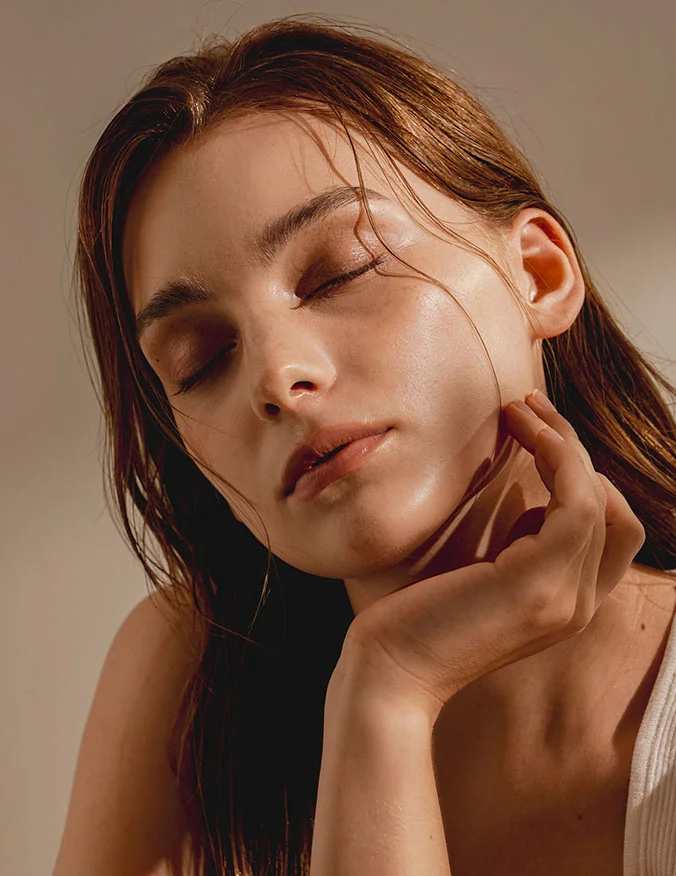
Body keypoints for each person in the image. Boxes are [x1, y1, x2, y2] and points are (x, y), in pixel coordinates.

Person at [53, 15, 676, 876]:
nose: (276, 377)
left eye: (342, 271)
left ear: (537, 274)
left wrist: (389, 684)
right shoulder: (189, 683)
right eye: (202, 361)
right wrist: (386, 692)